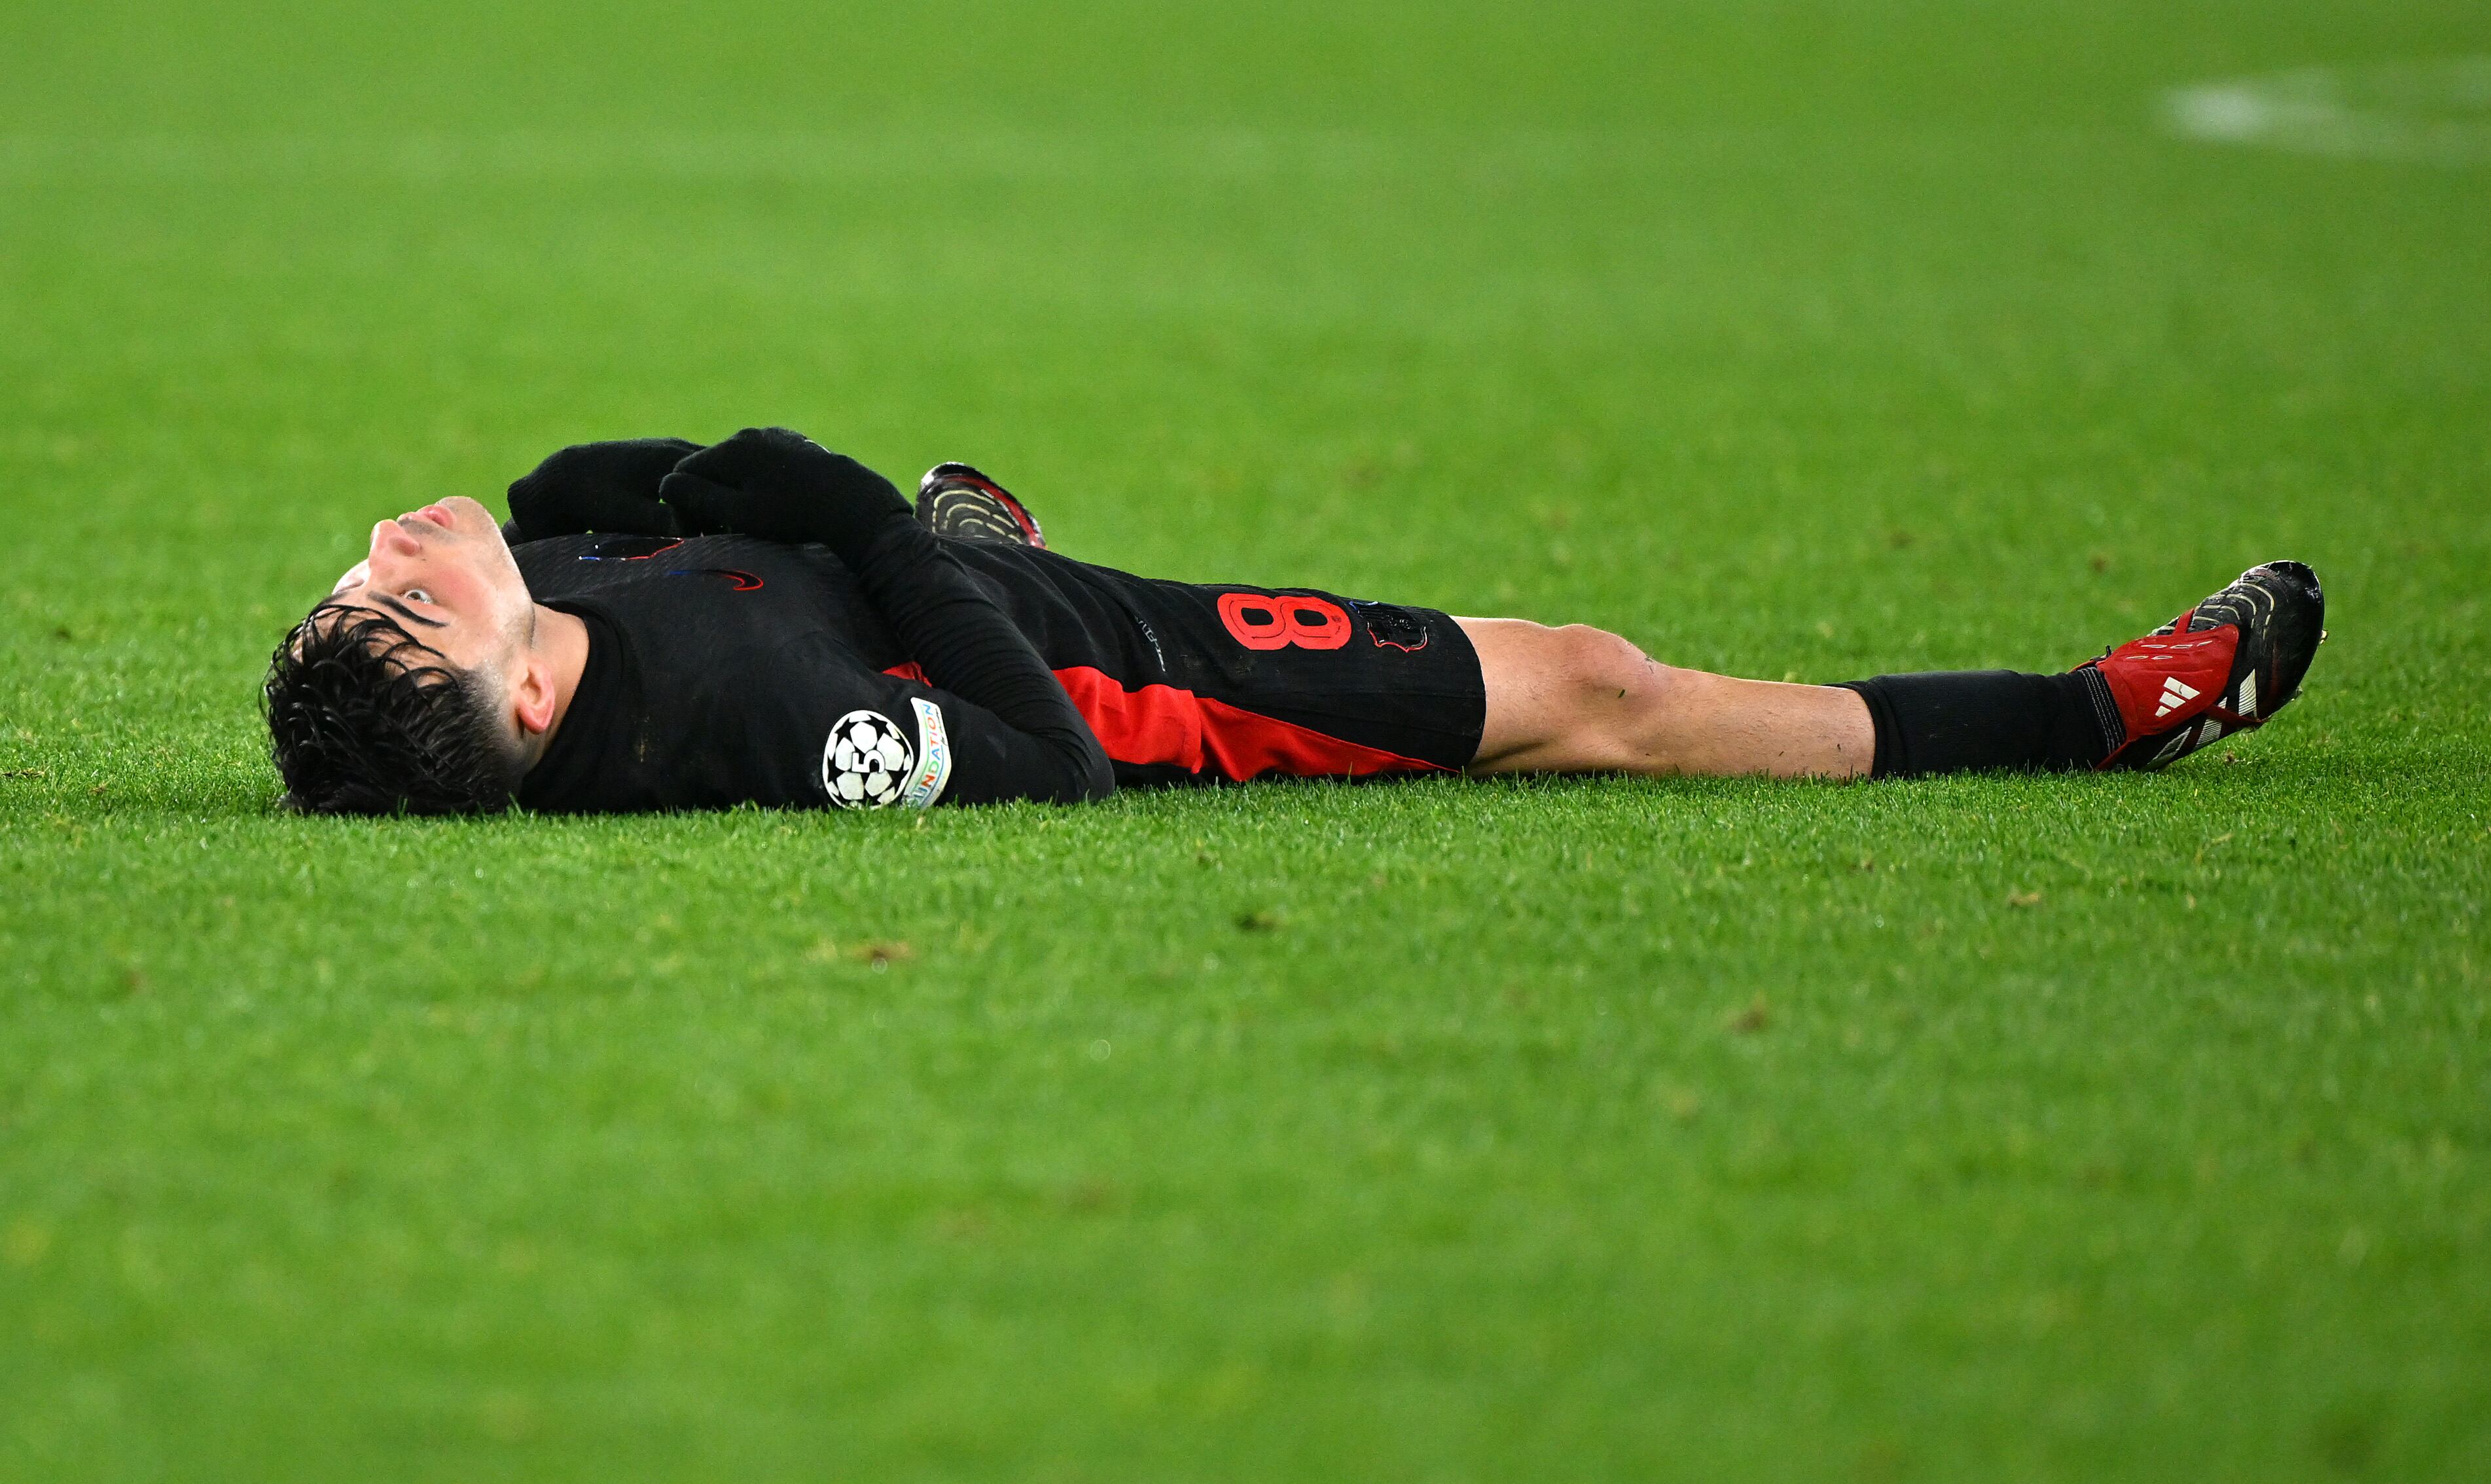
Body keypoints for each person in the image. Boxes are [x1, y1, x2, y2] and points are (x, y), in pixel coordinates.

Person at [262, 429, 2326, 816]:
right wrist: (893, 538)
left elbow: (581, 499)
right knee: (1592, 691)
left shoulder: (562, 623)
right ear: (525, 687)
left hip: (996, 578)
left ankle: (968, 520)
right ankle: (2100, 714)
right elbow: (1043, 754)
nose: (386, 536)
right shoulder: (768, 724)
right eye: (405, 593)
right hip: (1148, 677)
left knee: (919, 518)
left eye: (360, 574)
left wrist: (703, 494)